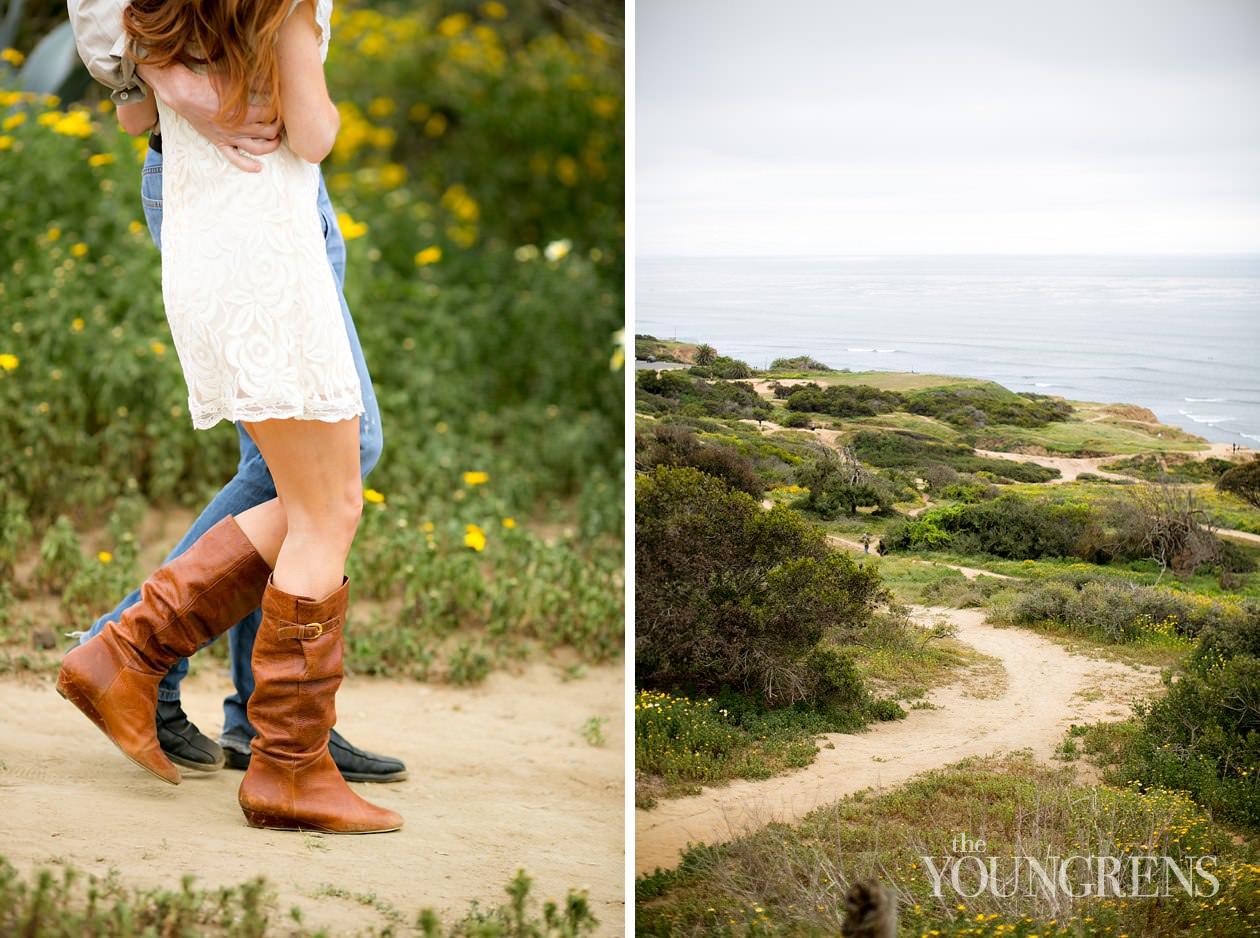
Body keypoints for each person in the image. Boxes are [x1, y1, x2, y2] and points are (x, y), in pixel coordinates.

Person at [58, 0, 402, 833]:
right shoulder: (278, 8)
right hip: (266, 239)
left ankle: (212, 699)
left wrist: (161, 75)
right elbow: (314, 130)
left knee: (316, 486)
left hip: (220, 227)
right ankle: (152, 666)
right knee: (329, 496)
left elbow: (132, 102)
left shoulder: (165, 14)